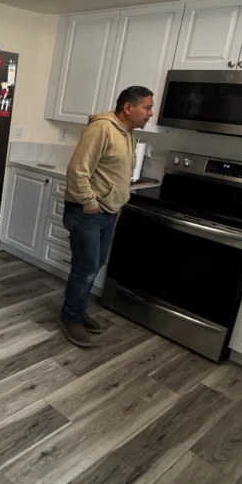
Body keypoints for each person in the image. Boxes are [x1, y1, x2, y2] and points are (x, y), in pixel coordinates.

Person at [59, 85, 154, 348]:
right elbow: (78, 170)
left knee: (94, 265)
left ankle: (75, 309)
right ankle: (71, 318)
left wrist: (119, 203)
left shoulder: (128, 133)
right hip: (88, 212)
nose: (150, 113)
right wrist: (90, 203)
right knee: (86, 267)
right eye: (147, 107)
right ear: (128, 107)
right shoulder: (101, 129)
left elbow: (115, 174)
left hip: (108, 211)